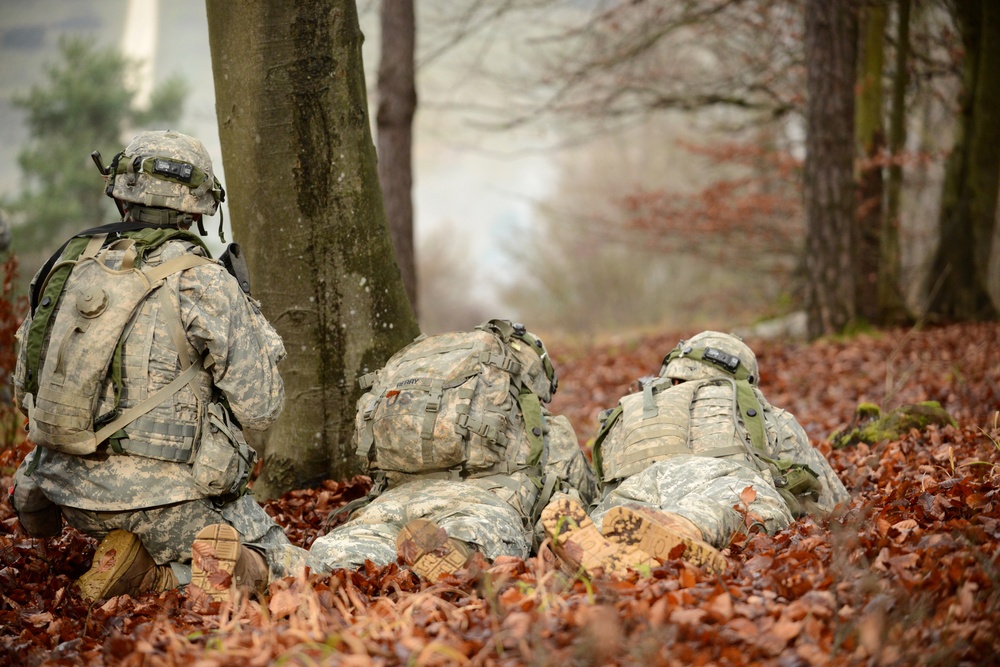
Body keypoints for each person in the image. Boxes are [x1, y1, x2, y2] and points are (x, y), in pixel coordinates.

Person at [9, 130, 310, 602]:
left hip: (59, 483)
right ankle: (159, 578)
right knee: (290, 568)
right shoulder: (205, 280)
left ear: (120, 193)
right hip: (161, 503)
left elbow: (22, 382)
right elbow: (261, 409)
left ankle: (69, 523)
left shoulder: (64, 262)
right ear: (199, 208)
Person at [542, 330, 850, 577]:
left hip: (632, 492)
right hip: (719, 481)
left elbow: (601, 480)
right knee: (748, 504)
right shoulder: (752, 404)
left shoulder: (632, 408)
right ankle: (682, 527)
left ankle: (597, 542)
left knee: (614, 516)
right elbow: (834, 500)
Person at [309, 321, 598, 582]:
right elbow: (579, 489)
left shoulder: (416, 370)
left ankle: (335, 565)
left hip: (391, 500)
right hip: (480, 503)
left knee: (348, 549)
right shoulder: (541, 423)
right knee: (476, 535)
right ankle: (453, 553)